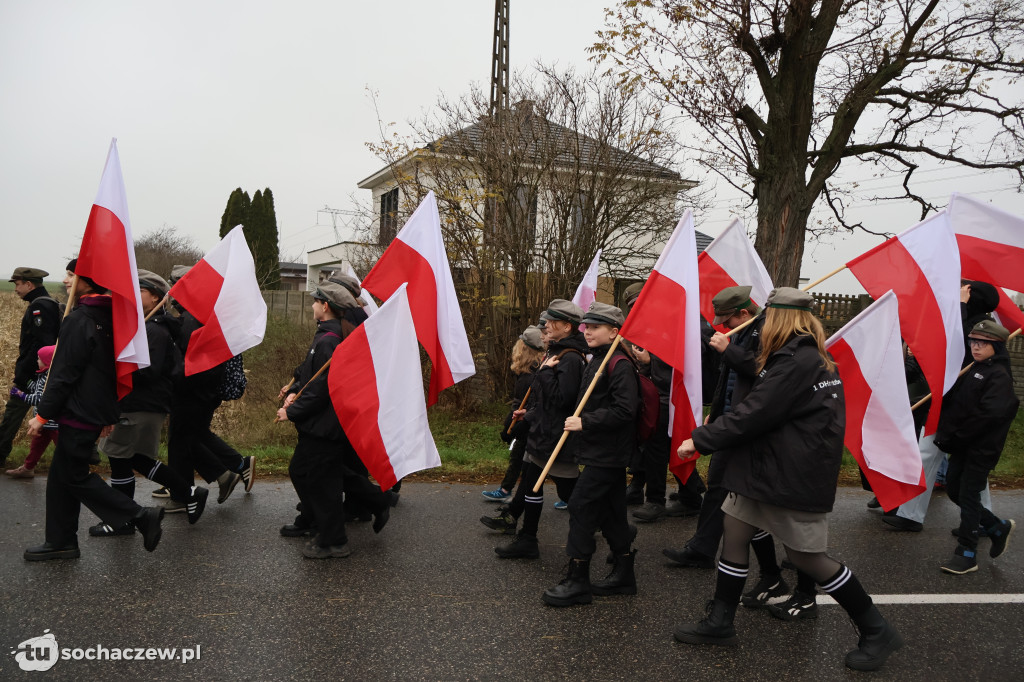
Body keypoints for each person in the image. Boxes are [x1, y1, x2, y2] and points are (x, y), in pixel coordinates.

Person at [673, 288, 902, 673]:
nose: (760, 328)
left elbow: (755, 413)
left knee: (806, 557)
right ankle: (720, 623)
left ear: (778, 321)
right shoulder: (793, 356)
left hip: (791, 473)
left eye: (766, 321)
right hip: (765, 467)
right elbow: (758, 395)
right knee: (735, 527)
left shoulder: (800, 361)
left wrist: (699, 440)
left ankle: (876, 629)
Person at [24, 261, 164, 560]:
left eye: (72, 275)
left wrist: (42, 414)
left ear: (87, 280)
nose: (65, 281)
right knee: (61, 479)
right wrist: (108, 413)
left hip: (77, 411)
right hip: (93, 410)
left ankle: (139, 515)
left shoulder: (81, 319)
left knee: (73, 476)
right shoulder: (114, 317)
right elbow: (108, 371)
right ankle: (61, 541)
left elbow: (64, 373)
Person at [276, 282, 394, 558]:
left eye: (316, 301)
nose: (313, 305)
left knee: (320, 481)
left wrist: (291, 411)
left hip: (325, 427)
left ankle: (333, 539)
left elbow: (323, 389)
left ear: (325, 306)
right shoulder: (325, 336)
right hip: (318, 425)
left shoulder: (330, 340)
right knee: (307, 473)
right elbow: (311, 376)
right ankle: (331, 523)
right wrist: (295, 392)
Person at [92, 270, 208, 535]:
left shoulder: (155, 330)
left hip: (139, 404)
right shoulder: (150, 326)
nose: (134, 295)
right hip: (143, 404)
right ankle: (189, 492)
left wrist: (119, 366)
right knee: (136, 459)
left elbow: (150, 370)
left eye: (140, 291)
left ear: (155, 296)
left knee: (118, 457)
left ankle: (123, 519)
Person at [542, 302, 639, 607]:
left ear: (614, 332)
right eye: (587, 326)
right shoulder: (598, 359)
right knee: (611, 510)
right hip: (599, 451)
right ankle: (624, 573)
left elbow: (626, 410)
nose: (588, 331)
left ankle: (578, 580)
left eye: (595, 327)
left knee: (581, 506)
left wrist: (586, 422)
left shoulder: (619, 363)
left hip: (608, 452)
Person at [883, 279, 999, 532]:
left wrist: (960, 303)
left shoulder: (980, 326)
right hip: (945, 403)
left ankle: (983, 519)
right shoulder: (965, 318)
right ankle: (910, 515)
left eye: (965, 290)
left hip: (965, 407)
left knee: (969, 464)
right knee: (925, 453)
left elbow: (954, 336)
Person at [481, 300, 587, 558]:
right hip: (542, 434)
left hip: (556, 439)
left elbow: (563, 401)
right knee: (530, 487)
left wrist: (546, 374)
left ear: (567, 326)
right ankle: (527, 539)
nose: (546, 326)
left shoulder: (570, 358)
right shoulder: (555, 354)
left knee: (572, 495)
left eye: (552, 322)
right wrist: (528, 414)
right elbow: (545, 402)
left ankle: (612, 529)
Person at [934, 320, 1018, 574]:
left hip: (980, 449)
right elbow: (960, 405)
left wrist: (955, 437)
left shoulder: (999, 377)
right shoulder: (975, 368)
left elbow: (987, 417)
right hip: (962, 445)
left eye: (983, 343)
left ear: (997, 346)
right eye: (973, 341)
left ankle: (967, 553)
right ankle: (996, 526)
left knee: (969, 496)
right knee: (955, 490)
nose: (976, 347)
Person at [0, 267, 60, 468]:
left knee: (13, 414)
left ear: (29, 284)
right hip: (37, 372)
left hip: (33, 373)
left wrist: (28, 373)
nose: (16, 289)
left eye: (18, 284)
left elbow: (43, 345)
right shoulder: (44, 303)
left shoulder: (40, 307)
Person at [482, 325, 545, 502]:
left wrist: (511, 425)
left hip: (529, 423)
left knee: (526, 459)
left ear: (524, 348)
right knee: (522, 458)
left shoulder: (530, 375)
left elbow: (523, 403)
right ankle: (506, 489)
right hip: (528, 421)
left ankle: (509, 491)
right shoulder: (527, 372)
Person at [5, 345, 58, 478]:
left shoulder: (47, 379)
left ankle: (74, 470)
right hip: (43, 422)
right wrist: (27, 381)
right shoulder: (44, 375)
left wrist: (21, 395)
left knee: (63, 448)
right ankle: (28, 468)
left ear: (46, 362)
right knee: (36, 446)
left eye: (39, 359)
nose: (37, 361)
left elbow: (38, 399)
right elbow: (37, 389)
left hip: (53, 424)